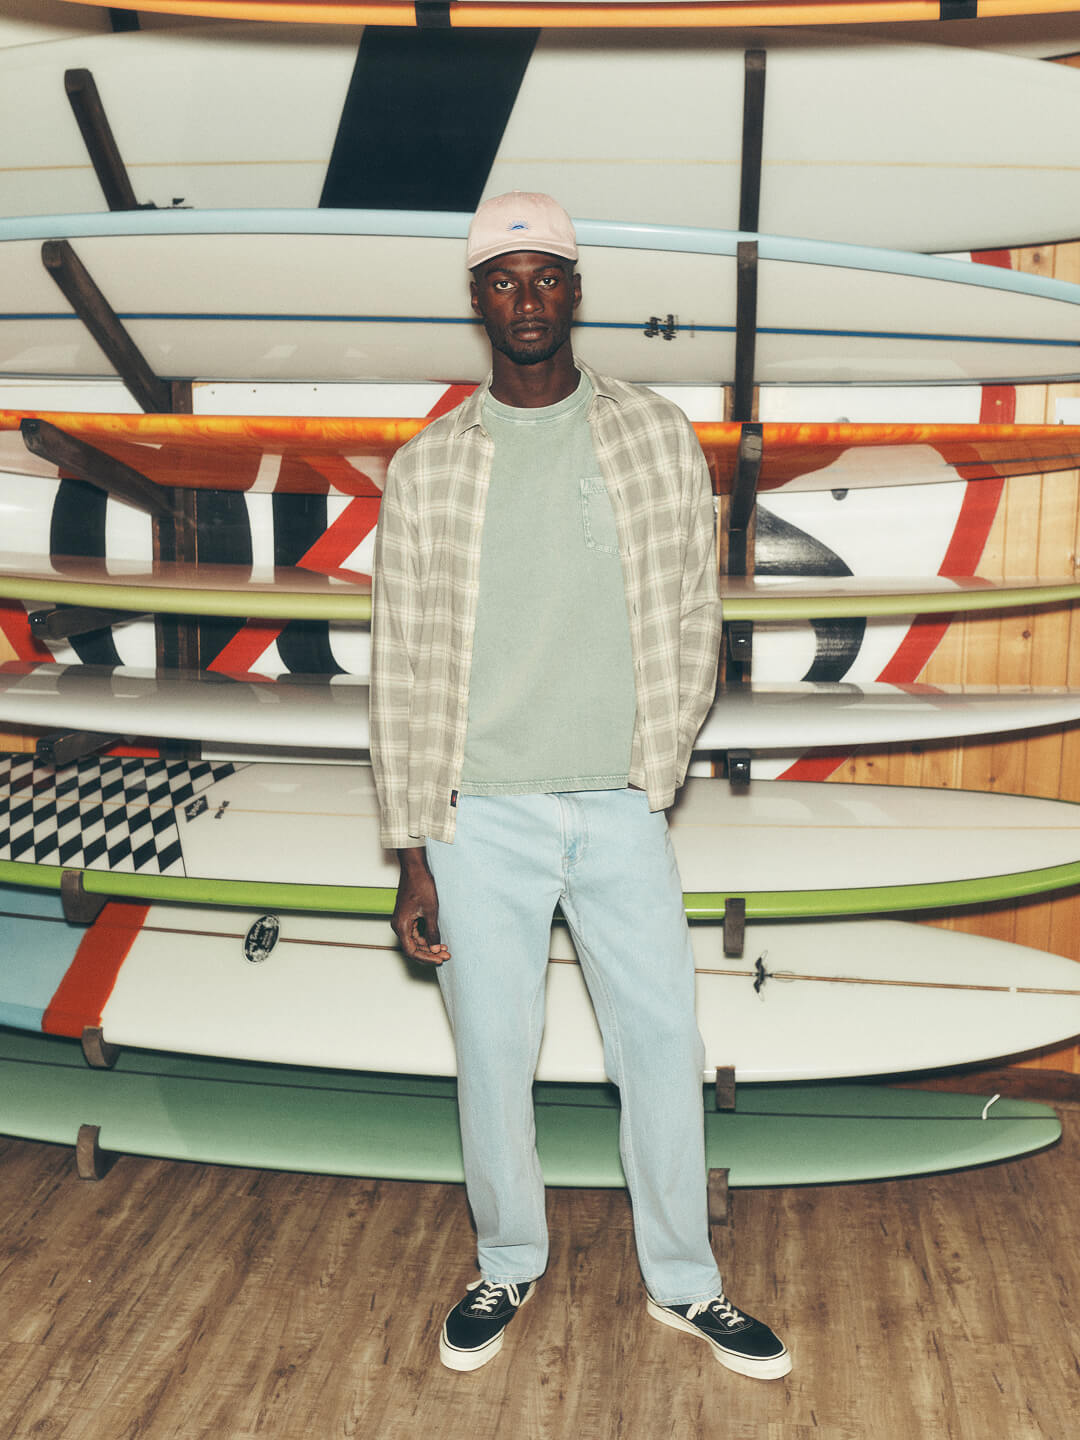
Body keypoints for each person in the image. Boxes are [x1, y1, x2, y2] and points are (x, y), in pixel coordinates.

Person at [370, 191, 789, 1381]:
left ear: (575, 289)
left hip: (615, 803)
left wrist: (654, 760)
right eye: (503, 280)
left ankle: (688, 1288)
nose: (526, 299)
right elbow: (400, 661)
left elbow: (695, 614)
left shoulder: (653, 433)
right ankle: (506, 1259)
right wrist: (412, 849)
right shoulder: (430, 466)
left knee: (661, 1044)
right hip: (475, 815)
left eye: (545, 275)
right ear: (478, 301)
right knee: (493, 1055)